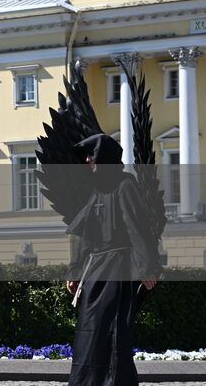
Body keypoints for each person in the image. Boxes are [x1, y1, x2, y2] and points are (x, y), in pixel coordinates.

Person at [64, 133, 160, 386]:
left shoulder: (125, 185)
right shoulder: (98, 190)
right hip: (96, 272)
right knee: (89, 331)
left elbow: (137, 228)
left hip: (119, 270)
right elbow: (85, 233)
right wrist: (74, 270)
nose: (87, 160)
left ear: (104, 157)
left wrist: (147, 267)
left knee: (114, 332)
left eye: (91, 155)